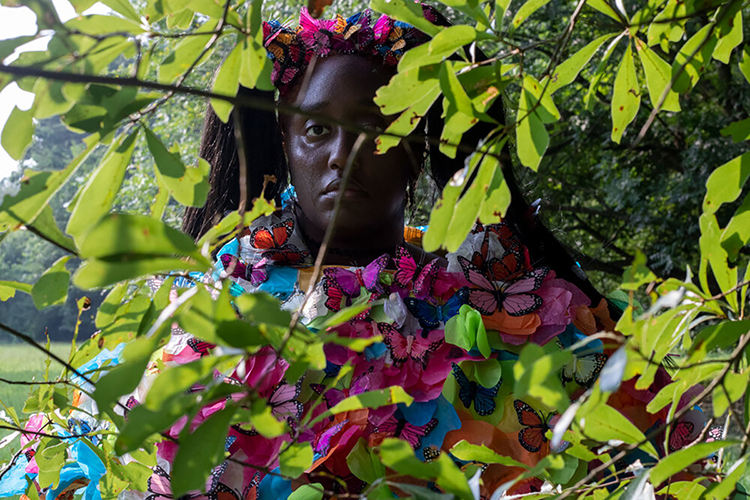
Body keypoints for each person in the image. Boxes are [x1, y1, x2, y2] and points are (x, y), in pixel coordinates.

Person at [0, 5, 711, 500]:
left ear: (417, 151)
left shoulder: (501, 312)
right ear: (284, 144)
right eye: (316, 131)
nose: (344, 156)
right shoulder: (209, 315)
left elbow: (658, 436)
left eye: (379, 130)